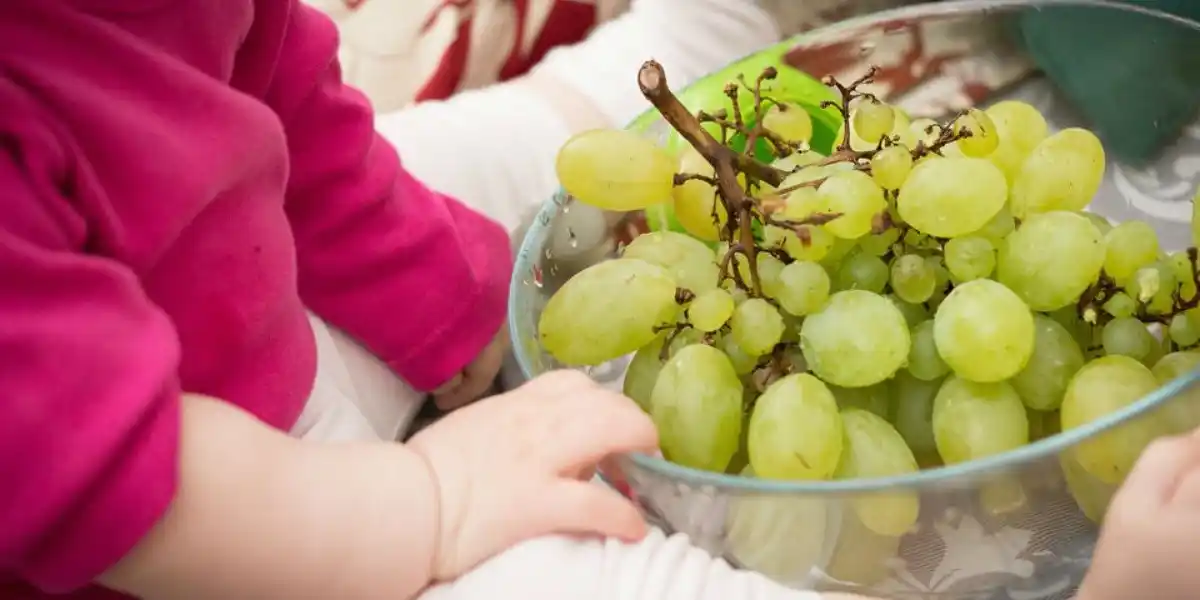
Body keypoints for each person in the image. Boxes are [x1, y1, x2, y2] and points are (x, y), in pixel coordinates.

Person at [0, 1, 869, 599]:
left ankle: (669, 54)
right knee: (590, 572)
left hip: (238, 290)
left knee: (437, 166)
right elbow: (98, 477)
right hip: (213, 539)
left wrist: (429, 286)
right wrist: (432, 503)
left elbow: (276, 88)